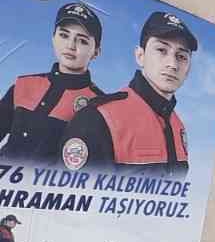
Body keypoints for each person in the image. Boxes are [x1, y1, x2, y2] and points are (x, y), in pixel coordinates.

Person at [60, 11, 197, 177]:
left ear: (189, 67)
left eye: (181, 56)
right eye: (161, 50)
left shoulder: (177, 125)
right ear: (140, 56)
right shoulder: (97, 118)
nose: (172, 64)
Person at [1, 2, 108, 162]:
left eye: (82, 41)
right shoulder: (23, 85)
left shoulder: (99, 105)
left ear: (96, 52)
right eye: (64, 35)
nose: (70, 45)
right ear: (53, 38)